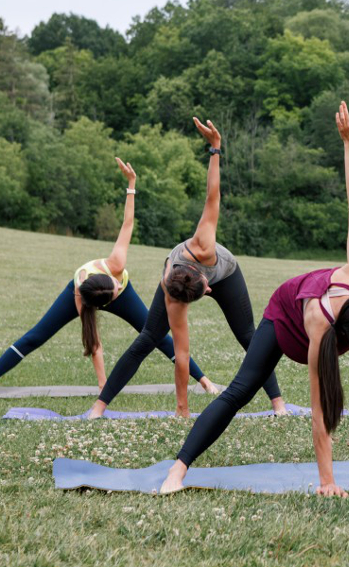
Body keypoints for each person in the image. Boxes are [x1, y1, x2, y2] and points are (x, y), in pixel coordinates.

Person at [159, 102, 349, 495]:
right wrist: (327, 483)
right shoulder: (320, 327)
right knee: (240, 391)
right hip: (285, 321)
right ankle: (178, 469)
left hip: (342, 318)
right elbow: (320, 412)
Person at [86, 118, 286, 418]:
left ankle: (278, 404)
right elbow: (181, 355)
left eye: (205, 288)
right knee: (149, 337)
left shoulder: (203, 245)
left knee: (249, 335)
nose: (209, 291)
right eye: (205, 292)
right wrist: (182, 409)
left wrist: (215, 149)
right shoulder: (173, 293)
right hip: (182, 283)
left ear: (202, 278)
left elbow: (212, 196)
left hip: (227, 272)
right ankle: (99, 406)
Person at [0, 159, 219, 397]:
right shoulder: (80, 295)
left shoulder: (115, 266)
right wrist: (103, 386)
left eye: (113, 287)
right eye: (110, 296)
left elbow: (127, 224)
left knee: (154, 335)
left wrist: (131, 185)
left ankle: (204, 381)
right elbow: (94, 343)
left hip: (124, 292)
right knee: (37, 335)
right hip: (84, 292)